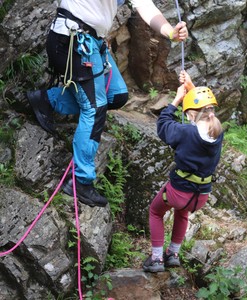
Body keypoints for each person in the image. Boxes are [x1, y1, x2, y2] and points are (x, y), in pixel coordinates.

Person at [26, 0, 188, 208]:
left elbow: (146, 7)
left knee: (117, 95)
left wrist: (170, 32)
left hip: (90, 43)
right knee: (94, 108)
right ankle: (80, 181)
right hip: (72, 39)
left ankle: (47, 100)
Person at [143, 71, 224, 272]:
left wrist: (177, 99)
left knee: (155, 211)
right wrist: (190, 86)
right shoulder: (217, 131)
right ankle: (173, 254)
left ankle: (156, 259)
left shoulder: (185, 132)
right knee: (182, 214)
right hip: (201, 195)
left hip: (178, 192)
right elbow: (202, 108)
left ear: (191, 114)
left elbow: (163, 126)